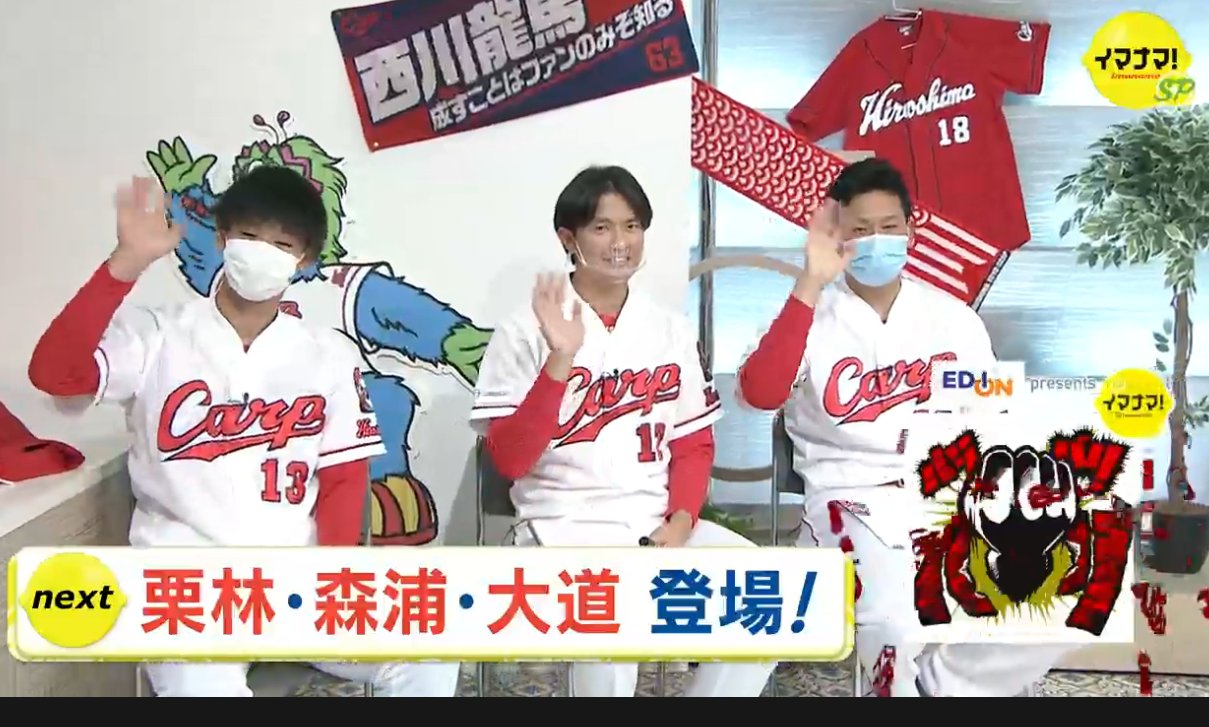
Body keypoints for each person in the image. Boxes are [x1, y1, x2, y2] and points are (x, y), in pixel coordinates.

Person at [28, 168, 461, 698]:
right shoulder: (158, 333)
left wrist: (334, 577)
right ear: (221, 238)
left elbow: (345, 476)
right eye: (250, 236)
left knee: (430, 649)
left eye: (282, 244)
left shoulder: (327, 352)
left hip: (295, 579)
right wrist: (127, 263)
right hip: (186, 587)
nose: (262, 253)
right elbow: (54, 373)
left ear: (303, 259)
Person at [735, 158, 1075, 697]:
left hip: (948, 493)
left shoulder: (953, 319)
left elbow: (995, 419)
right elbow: (760, 394)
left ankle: (942, 686)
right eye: (860, 229)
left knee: (1069, 583)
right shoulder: (809, 314)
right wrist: (810, 280)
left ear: (911, 230)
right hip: (847, 499)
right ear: (838, 237)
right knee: (896, 618)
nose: (876, 241)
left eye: (889, 227)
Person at [469, 165, 777, 698]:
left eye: (632, 226)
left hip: (654, 525)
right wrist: (560, 360)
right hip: (560, 528)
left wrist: (681, 521)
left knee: (767, 599)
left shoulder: (669, 329)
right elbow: (510, 461)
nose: (621, 242)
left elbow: (692, 444)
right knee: (612, 629)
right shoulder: (523, 330)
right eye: (602, 227)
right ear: (568, 239)